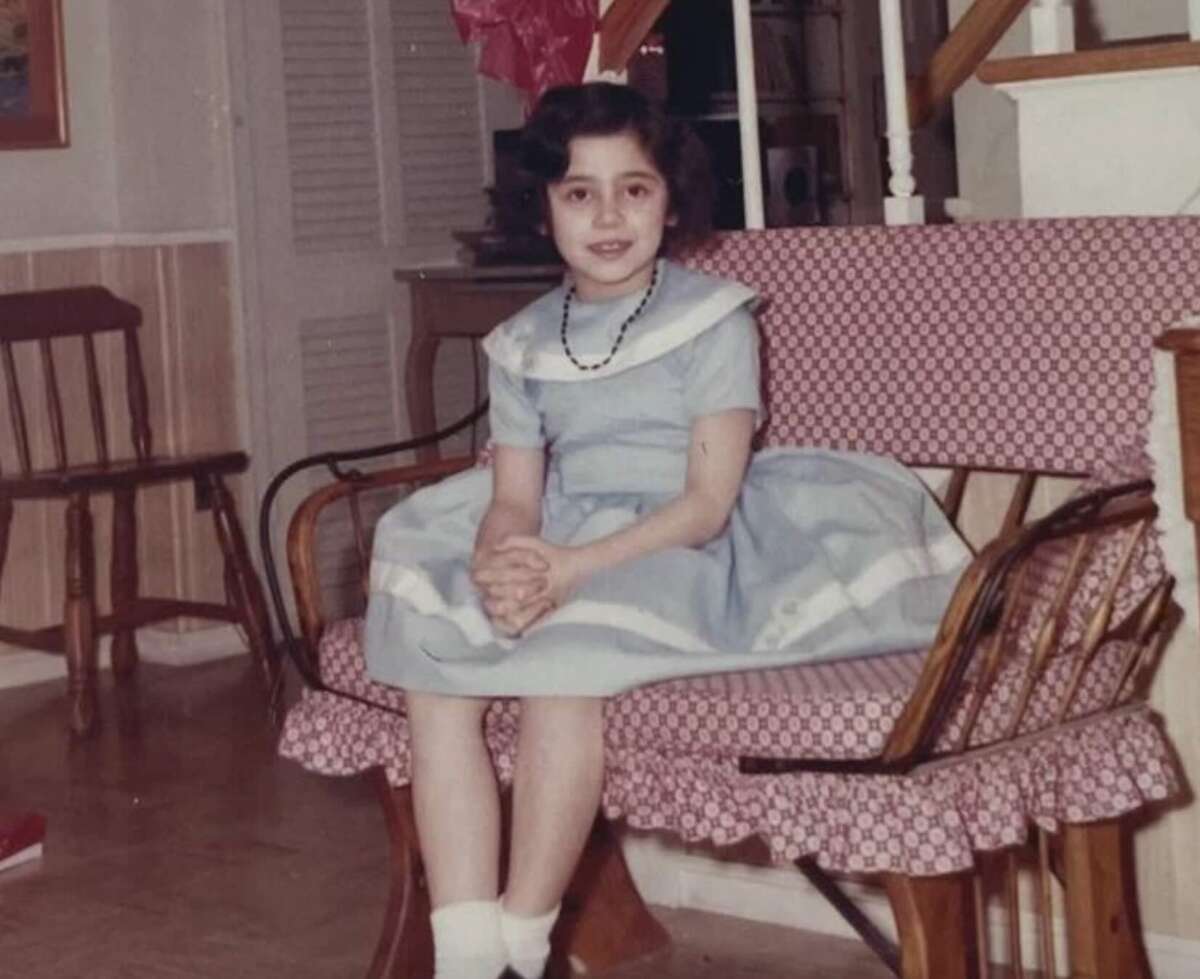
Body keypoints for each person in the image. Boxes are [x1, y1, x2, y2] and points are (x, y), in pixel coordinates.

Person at [364, 82, 969, 979]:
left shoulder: (713, 319)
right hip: (562, 531)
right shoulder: (522, 343)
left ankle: (524, 935)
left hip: (675, 542)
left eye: (634, 189)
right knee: (436, 675)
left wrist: (570, 571)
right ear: (543, 208)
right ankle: (464, 951)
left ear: (671, 200)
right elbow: (515, 495)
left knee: (563, 667)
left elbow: (708, 502)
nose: (608, 216)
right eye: (579, 192)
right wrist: (504, 560)